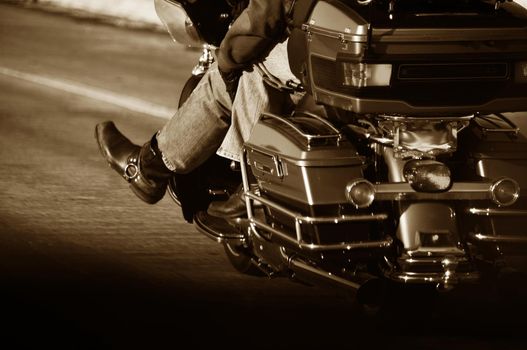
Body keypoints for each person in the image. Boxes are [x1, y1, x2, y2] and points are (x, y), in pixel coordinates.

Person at [95, 0, 301, 217]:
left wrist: (227, 57)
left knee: (244, 63)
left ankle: (151, 169)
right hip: (332, 52)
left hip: (314, 57)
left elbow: (265, 13)